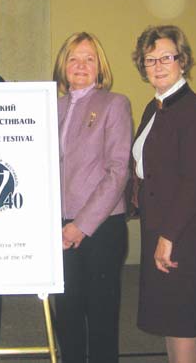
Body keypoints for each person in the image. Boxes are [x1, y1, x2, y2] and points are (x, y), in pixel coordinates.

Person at [129, 25, 196, 363]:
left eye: (167, 57)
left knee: (182, 323)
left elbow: (195, 183)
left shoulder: (195, 111)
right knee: (170, 319)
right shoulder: (156, 108)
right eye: (150, 60)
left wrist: (168, 236)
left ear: (183, 60)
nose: (158, 65)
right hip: (159, 227)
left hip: (180, 233)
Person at [52, 32, 132, 363]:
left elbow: (118, 171)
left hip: (100, 227)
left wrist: (80, 225)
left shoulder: (114, 103)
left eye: (89, 59)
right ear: (62, 66)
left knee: (100, 320)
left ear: (100, 67)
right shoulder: (49, 107)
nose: (80, 65)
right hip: (58, 227)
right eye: (73, 58)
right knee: (67, 317)